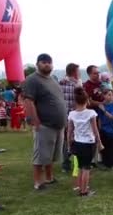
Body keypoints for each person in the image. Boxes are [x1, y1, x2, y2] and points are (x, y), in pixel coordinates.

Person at [22, 53, 68, 191]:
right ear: (37, 64)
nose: (47, 64)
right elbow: (28, 101)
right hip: (44, 124)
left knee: (51, 155)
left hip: (58, 125)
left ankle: (49, 177)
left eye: (49, 62)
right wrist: (36, 122)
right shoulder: (32, 80)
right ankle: (38, 182)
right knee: (40, 155)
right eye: (43, 62)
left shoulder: (53, 79)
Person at [67, 87, 103, 197]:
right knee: (86, 168)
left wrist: (69, 145)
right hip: (88, 143)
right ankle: (84, 191)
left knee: (80, 167)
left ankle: (80, 188)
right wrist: (100, 142)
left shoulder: (72, 114)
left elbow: (69, 132)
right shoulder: (91, 113)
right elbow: (95, 129)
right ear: (87, 100)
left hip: (77, 143)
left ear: (75, 101)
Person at [59, 63, 82, 173]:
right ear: (74, 72)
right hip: (75, 117)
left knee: (66, 140)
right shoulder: (76, 85)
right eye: (78, 71)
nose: (79, 73)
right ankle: (76, 164)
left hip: (64, 116)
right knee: (76, 139)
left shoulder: (61, 83)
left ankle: (66, 163)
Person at [97, 89, 113, 168]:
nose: (111, 97)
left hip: (112, 129)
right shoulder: (102, 105)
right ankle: (105, 163)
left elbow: (112, 117)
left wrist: (104, 110)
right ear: (104, 96)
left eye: (111, 95)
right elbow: (99, 118)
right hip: (103, 129)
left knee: (111, 147)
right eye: (108, 95)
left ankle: (112, 163)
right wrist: (99, 129)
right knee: (104, 147)